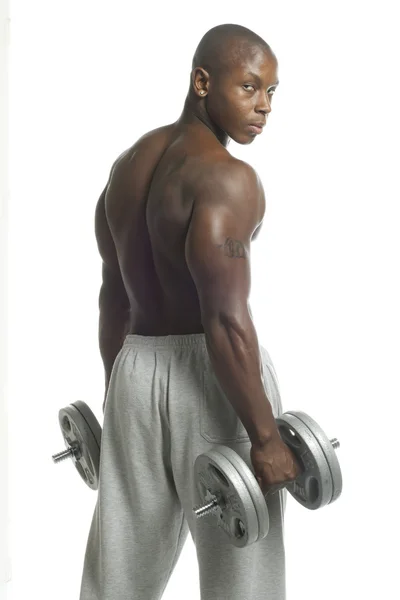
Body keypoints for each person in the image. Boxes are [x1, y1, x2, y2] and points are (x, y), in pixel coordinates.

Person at [79, 23, 301, 600]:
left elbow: (114, 298)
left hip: (134, 368)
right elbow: (225, 319)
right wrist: (265, 436)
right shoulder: (229, 180)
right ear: (203, 81)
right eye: (250, 87)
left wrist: (116, 396)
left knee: (115, 581)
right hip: (212, 379)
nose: (264, 107)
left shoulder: (125, 168)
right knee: (242, 577)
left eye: (272, 93)